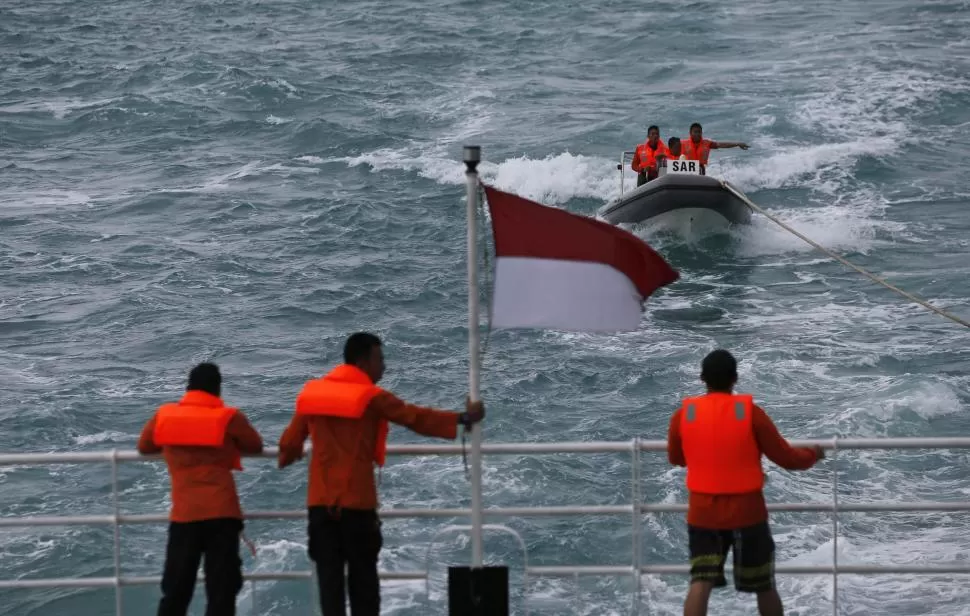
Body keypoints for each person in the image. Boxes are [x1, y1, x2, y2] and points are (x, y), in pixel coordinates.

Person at [277, 332, 486, 616]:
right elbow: (415, 417)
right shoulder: (372, 397)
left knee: (330, 590)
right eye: (380, 359)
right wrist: (463, 419)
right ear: (363, 362)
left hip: (321, 507)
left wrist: (288, 458)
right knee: (364, 590)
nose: (384, 367)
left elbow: (289, 443)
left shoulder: (313, 394)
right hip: (357, 507)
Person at [666, 349, 824, 616]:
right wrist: (813, 454)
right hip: (747, 513)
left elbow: (676, 458)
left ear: (702, 378)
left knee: (700, 582)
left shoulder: (684, 415)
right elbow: (786, 458)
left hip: (704, 514)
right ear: (735, 379)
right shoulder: (750, 413)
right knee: (764, 585)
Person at [138, 362, 264, 616]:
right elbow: (255, 445)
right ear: (217, 389)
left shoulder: (164, 415)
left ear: (188, 388)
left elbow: (145, 446)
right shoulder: (229, 417)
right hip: (222, 514)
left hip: (185, 516)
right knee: (221, 592)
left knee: (176, 590)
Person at [682, 122, 749, 175]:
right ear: (690, 133)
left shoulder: (707, 143)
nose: (697, 134)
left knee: (700, 168)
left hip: (700, 171)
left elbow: (721, 144)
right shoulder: (683, 143)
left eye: (699, 132)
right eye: (695, 132)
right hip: (687, 171)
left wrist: (737, 144)